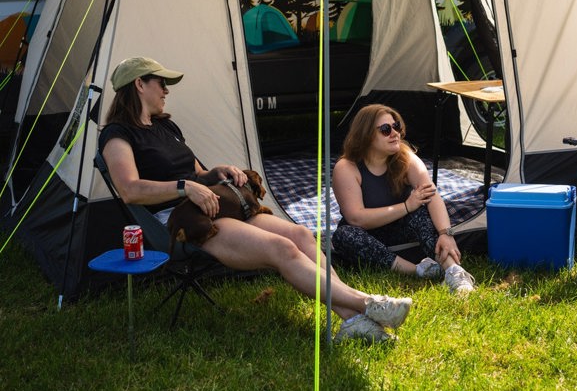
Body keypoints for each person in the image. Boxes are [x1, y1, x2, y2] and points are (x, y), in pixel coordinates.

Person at [99, 57, 411, 343]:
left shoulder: (165, 126)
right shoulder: (118, 134)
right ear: (139, 84)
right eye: (161, 83)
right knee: (282, 249)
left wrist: (218, 172)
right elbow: (130, 189)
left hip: (214, 203)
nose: (166, 91)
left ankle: (352, 319)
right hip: (185, 220)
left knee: (300, 233)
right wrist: (185, 188)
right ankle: (367, 304)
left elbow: (197, 172)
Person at [331, 104, 476, 295]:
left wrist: (445, 233)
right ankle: (417, 271)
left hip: (402, 233)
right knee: (344, 236)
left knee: (422, 211)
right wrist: (407, 206)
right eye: (385, 130)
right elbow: (357, 218)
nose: (395, 133)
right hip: (368, 236)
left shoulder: (405, 157)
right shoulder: (347, 168)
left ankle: (454, 272)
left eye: (396, 126)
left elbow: (432, 196)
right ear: (365, 135)